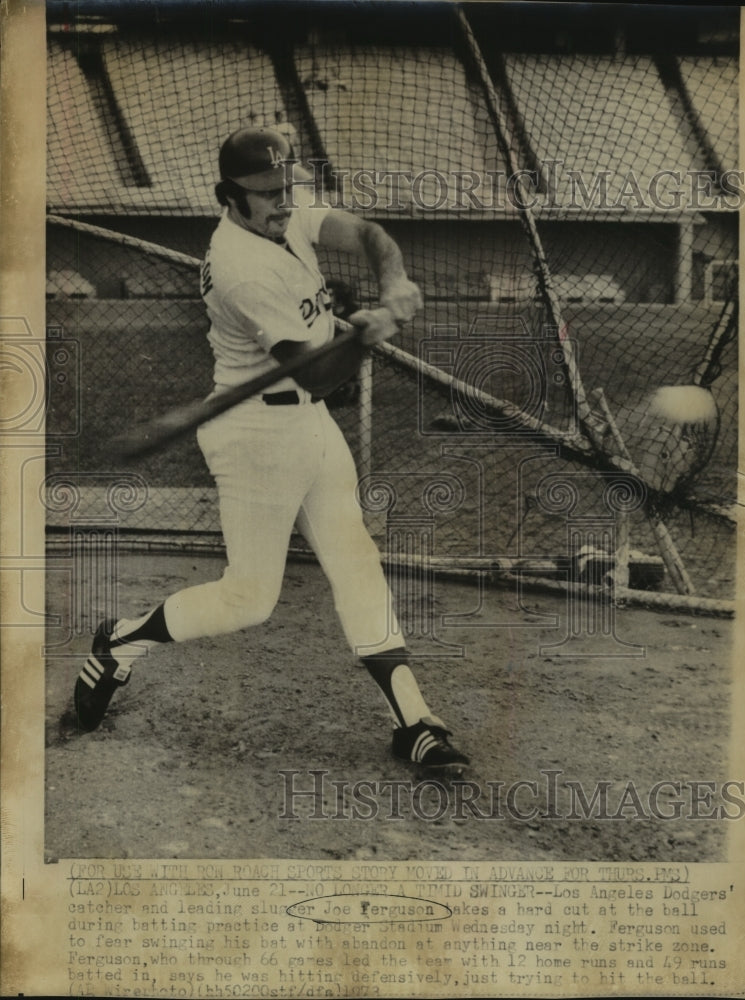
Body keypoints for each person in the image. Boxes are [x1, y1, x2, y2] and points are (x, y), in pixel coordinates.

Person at [74, 126, 469, 775]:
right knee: (248, 600)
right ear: (228, 196)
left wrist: (392, 283)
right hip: (255, 435)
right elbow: (316, 375)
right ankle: (120, 642)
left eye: (288, 189)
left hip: (309, 425)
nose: (284, 204)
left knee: (355, 560)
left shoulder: (284, 210)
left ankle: (415, 722)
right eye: (267, 195)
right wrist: (371, 333)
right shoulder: (240, 268)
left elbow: (369, 235)